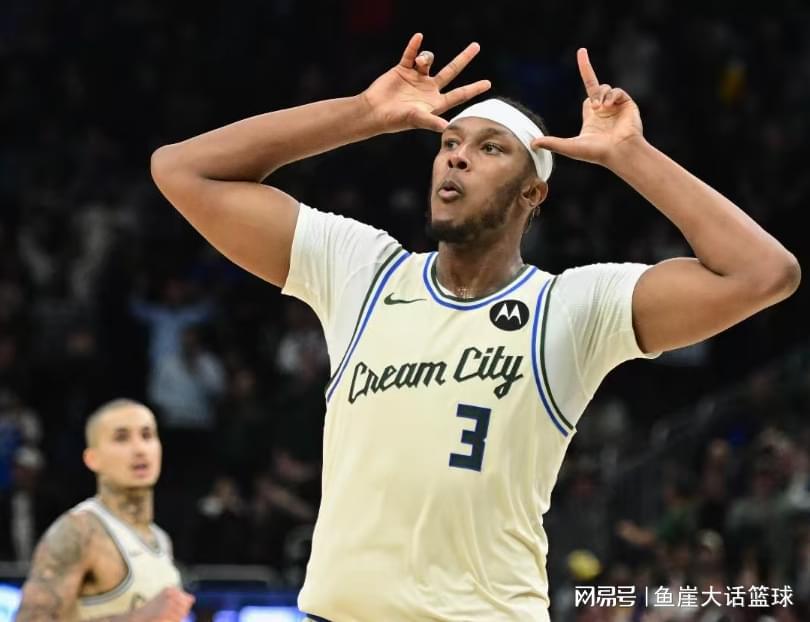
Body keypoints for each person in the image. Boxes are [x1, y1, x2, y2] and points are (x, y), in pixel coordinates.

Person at [150, 32, 800, 622]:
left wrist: (631, 156)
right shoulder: (361, 271)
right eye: (449, 144)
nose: (457, 159)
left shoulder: (572, 307)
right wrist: (364, 113)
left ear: (532, 193)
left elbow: (764, 273)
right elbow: (181, 170)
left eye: (490, 149)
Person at [16, 399, 195, 621]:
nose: (139, 449)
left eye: (147, 435)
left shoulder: (160, 538)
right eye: (121, 438)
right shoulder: (78, 531)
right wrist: (137, 618)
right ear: (93, 459)